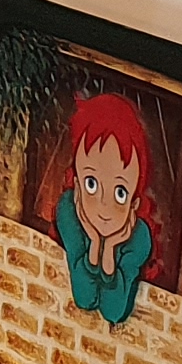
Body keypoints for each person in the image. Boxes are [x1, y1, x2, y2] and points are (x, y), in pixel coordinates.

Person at [53, 88, 160, 326]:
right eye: (91, 184)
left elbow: (113, 311)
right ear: (77, 184)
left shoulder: (139, 237)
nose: (104, 206)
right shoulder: (69, 211)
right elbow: (84, 299)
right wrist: (94, 244)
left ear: (134, 203)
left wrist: (109, 248)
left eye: (120, 192)